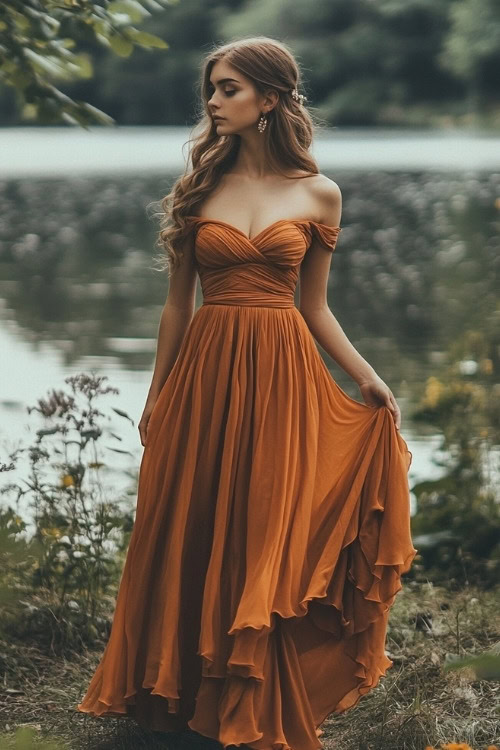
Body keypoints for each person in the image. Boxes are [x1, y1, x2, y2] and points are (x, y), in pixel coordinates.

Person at [76, 36, 417, 750]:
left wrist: (366, 377)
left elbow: (315, 306)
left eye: (228, 88)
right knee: (193, 516)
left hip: (284, 375)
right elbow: (176, 307)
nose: (212, 101)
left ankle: (251, 690)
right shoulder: (199, 190)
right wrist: (156, 393)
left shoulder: (319, 193)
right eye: (211, 88)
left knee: (266, 526)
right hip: (206, 371)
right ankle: (179, 691)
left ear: (270, 98)